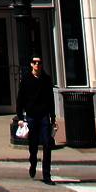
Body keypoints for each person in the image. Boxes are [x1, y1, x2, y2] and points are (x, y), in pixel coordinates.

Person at [16, 55, 56, 184]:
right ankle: (33, 161)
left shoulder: (46, 80)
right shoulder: (26, 80)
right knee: (33, 144)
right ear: (31, 65)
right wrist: (20, 117)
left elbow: (51, 99)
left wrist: (53, 117)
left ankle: (46, 175)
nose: (37, 64)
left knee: (47, 144)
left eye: (39, 62)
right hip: (31, 116)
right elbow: (20, 99)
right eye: (35, 62)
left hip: (44, 116)